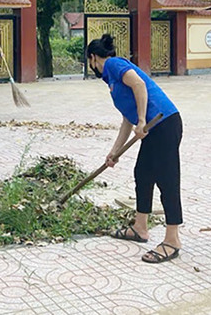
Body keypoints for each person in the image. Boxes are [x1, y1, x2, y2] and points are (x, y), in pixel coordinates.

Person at [87, 33, 184, 264]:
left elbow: (140, 84)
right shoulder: (111, 80)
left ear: (92, 58)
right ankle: (140, 227)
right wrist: (115, 152)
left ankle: (172, 240)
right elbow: (126, 120)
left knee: (167, 180)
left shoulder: (113, 63)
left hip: (164, 123)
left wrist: (142, 120)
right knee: (143, 174)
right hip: (151, 129)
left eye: (89, 63)